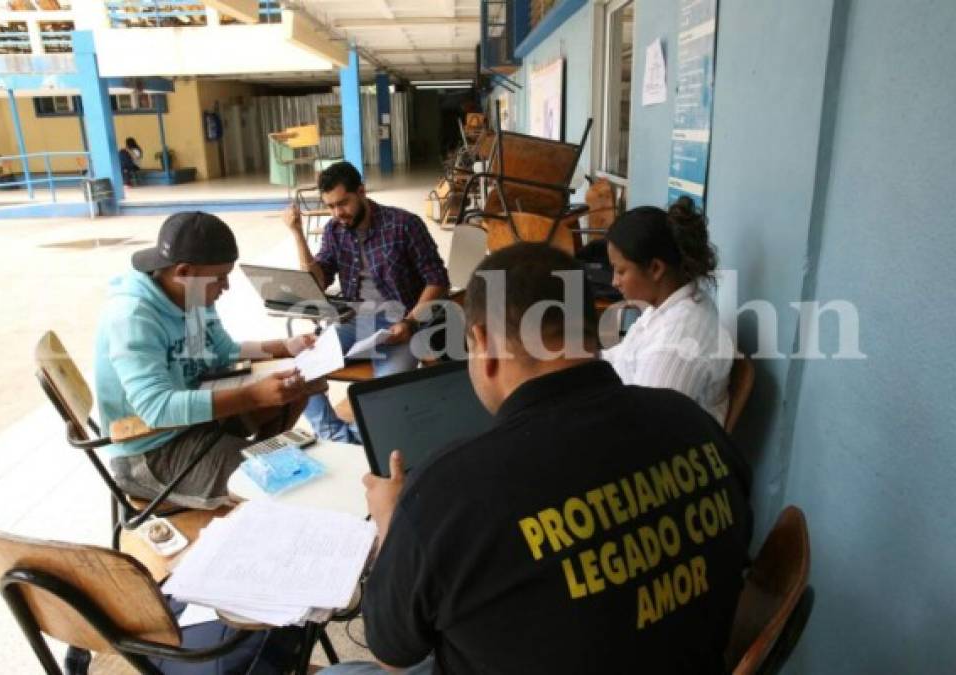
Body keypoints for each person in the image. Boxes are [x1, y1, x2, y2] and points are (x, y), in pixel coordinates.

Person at [323, 243, 753, 674]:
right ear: (594, 331)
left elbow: (393, 654)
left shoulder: (446, 492)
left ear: (483, 344)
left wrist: (391, 523)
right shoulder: (692, 422)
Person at [95, 211, 325, 509]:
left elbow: (223, 352)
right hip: (151, 451)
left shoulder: (191, 295)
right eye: (219, 278)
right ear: (185, 272)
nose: (226, 287)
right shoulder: (133, 316)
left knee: (293, 396)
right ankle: (256, 483)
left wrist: (285, 346)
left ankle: (255, 466)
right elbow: (156, 409)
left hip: (193, 423)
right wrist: (253, 396)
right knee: (286, 485)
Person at [283, 161, 449, 443]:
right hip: (353, 322)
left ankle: (355, 438)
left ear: (361, 191)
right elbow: (318, 282)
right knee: (299, 372)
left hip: (400, 323)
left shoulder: (404, 225)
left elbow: (438, 281)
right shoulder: (334, 231)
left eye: (343, 203)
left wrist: (410, 322)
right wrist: (298, 234)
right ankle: (338, 437)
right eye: (331, 207)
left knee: (383, 393)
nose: (338, 213)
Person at [601, 196, 735, 425]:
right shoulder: (664, 307)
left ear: (655, 269)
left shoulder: (678, 342)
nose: (614, 281)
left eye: (621, 271)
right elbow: (621, 356)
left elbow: (647, 428)